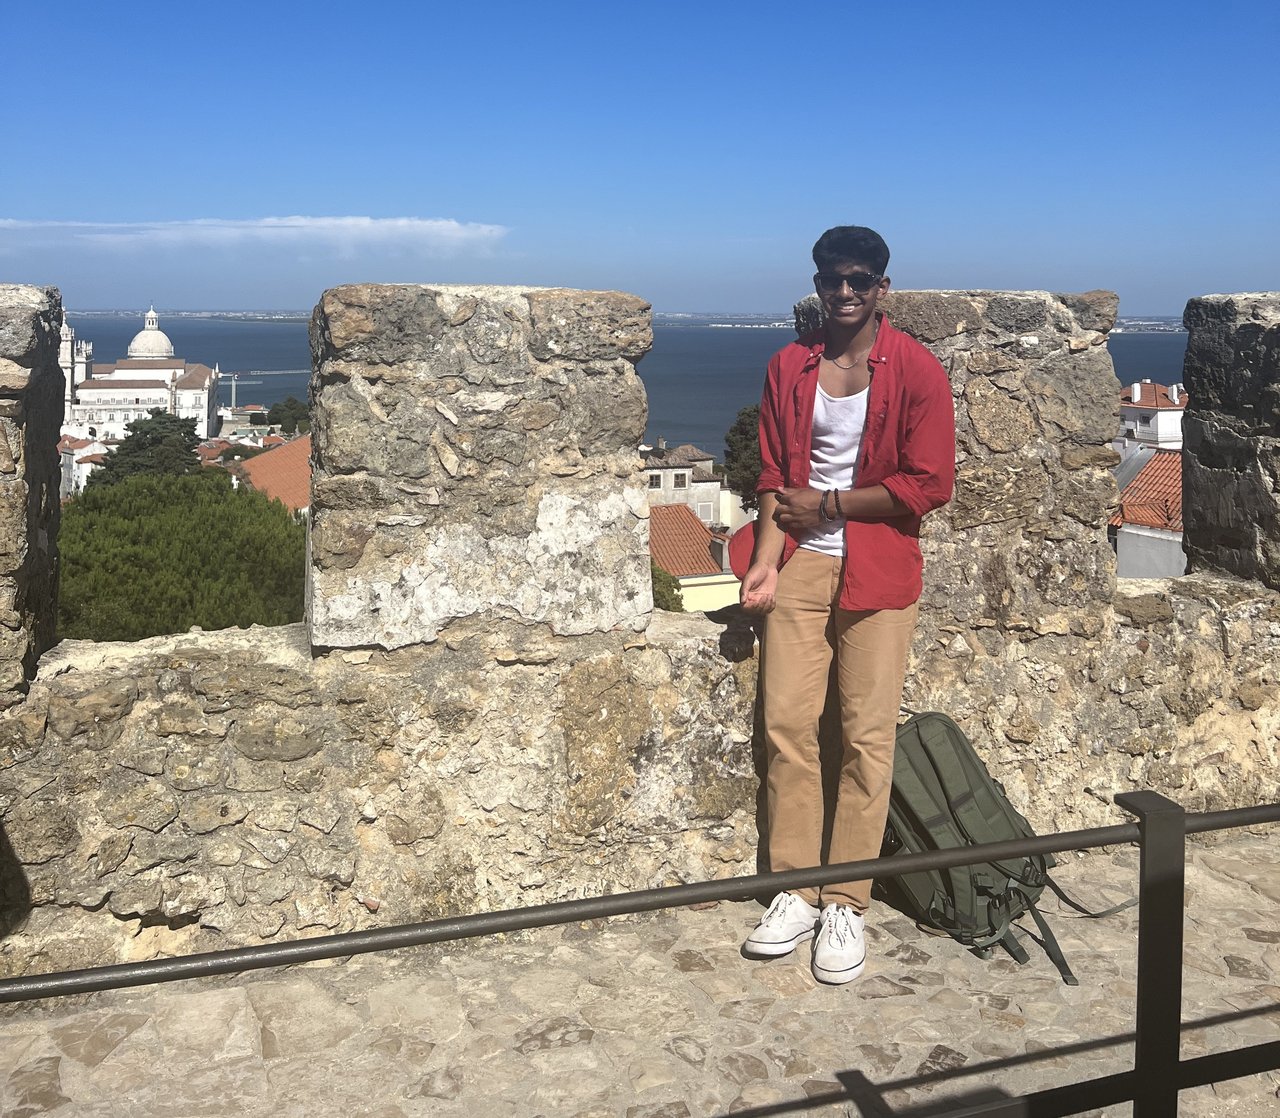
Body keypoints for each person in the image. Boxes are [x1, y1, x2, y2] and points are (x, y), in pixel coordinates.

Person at [738, 225, 955, 984]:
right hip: (800, 565)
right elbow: (774, 475)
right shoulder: (789, 366)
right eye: (832, 279)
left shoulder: (917, 370)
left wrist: (830, 503)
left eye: (860, 279)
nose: (845, 292)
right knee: (787, 725)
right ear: (818, 284)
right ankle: (796, 889)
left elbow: (929, 484)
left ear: (882, 288)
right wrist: (763, 564)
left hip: (879, 571)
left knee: (866, 736)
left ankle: (846, 901)